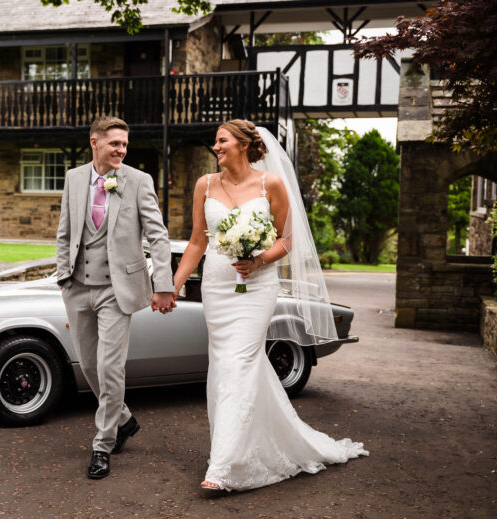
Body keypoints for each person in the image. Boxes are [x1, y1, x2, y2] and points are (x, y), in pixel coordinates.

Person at [172, 119, 368, 491]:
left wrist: (259, 259)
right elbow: (198, 242)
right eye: (215, 142)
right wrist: (173, 285)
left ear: (244, 145)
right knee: (224, 363)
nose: (216, 147)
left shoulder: (270, 184)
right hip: (218, 286)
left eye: (222, 140)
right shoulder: (205, 185)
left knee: (241, 361)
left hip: (257, 287)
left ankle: (224, 466)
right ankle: (245, 443)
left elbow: (289, 239)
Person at [56, 116, 176, 480]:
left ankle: (102, 444)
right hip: (78, 287)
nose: (121, 150)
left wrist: (164, 283)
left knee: (110, 367)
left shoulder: (139, 182)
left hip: (116, 290)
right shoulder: (74, 178)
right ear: (94, 142)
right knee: (90, 367)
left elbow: (158, 236)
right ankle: (123, 420)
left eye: (125, 144)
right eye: (115, 144)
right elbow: (64, 233)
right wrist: (64, 276)